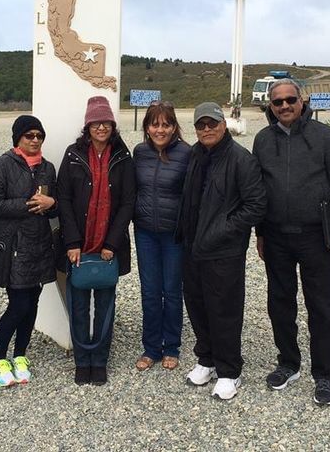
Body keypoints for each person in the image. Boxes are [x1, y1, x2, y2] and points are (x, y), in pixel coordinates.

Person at [251, 79, 330, 406]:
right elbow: (257, 191)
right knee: (280, 304)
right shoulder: (263, 140)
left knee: (321, 308)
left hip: (316, 236)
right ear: (270, 105)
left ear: (302, 100)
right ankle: (288, 363)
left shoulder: (326, 137)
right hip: (277, 236)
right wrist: (261, 234)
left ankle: (324, 374)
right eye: (277, 102)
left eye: (289, 99)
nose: (284, 106)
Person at [178, 102, 266, 401]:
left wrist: (222, 230)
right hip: (192, 247)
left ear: (223, 124)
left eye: (212, 123)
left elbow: (256, 205)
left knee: (224, 310)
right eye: (200, 125)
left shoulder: (241, 159)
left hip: (224, 250)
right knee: (198, 305)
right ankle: (206, 359)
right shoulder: (194, 155)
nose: (206, 129)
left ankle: (229, 370)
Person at [57, 96, 135, 386]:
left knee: (105, 307)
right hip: (78, 245)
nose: (100, 127)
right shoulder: (72, 154)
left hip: (108, 246)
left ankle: (99, 359)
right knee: (78, 306)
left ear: (112, 125)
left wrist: (112, 243)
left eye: (106, 122)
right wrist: (72, 242)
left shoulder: (123, 156)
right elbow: (63, 198)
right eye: (95, 122)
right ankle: (82, 360)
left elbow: (128, 202)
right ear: (87, 126)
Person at [0, 115, 57, 387]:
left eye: (39, 135)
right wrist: (27, 204)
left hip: (40, 246)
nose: (35, 140)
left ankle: (20, 355)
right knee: (18, 305)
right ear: (18, 138)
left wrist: (51, 203)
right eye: (29, 135)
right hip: (15, 247)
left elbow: (56, 205)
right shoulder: (2, 164)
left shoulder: (47, 168)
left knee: (33, 304)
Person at [132, 101, 191, 372]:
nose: (160, 129)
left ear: (174, 126)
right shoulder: (140, 152)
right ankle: (151, 348)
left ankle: (172, 347)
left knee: (172, 290)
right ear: (146, 127)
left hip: (173, 235)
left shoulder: (187, 154)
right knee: (150, 292)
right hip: (145, 232)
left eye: (166, 124)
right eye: (155, 124)